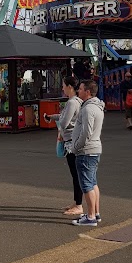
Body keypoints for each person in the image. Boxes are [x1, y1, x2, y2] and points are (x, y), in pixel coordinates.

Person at [44, 76, 83, 216]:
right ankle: (76, 202)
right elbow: (63, 116)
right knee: (75, 174)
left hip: (71, 142)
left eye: (63, 85)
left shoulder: (72, 102)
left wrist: (60, 132)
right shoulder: (75, 101)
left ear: (70, 87)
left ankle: (79, 205)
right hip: (74, 140)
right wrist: (52, 117)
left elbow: (65, 122)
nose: (62, 88)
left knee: (76, 174)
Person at [70, 80, 104, 227]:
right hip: (93, 149)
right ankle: (95, 213)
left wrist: (76, 147)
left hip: (86, 151)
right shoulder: (96, 107)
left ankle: (90, 217)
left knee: (87, 185)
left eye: (81, 89)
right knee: (92, 182)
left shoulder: (88, 109)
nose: (79, 91)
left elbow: (86, 133)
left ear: (88, 92)